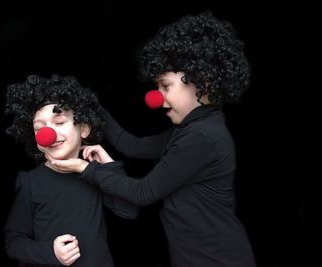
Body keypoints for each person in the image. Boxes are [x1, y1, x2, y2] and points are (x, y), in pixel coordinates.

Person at [46, 11, 257, 267]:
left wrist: (85, 168)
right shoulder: (193, 128)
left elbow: (143, 192)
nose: (156, 98)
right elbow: (131, 146)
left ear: (203, 82)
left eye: (165, 86)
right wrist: (91, 105)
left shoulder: (202, 137)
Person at [4, 74, 138, 267]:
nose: (47, 134)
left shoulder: (95, 174)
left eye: (59, 123)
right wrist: (50, 252)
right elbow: (14, 242)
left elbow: (129, 210)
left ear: (83, 129)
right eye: (39, 128)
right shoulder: (30, 182)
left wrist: (108, 166)